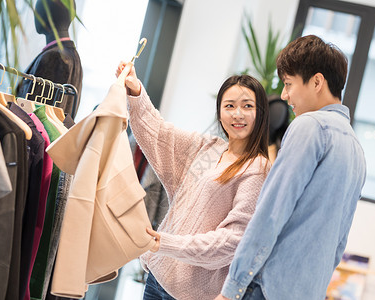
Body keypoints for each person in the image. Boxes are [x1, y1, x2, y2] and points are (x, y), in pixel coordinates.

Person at [215, 34, 367, 300]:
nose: (284, 96)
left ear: (317, 82)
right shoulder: (356, 149)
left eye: (288, 84)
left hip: (268, 287)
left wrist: (232, 288)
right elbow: (339, 242)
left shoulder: (309, 126)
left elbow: (271, 211)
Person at [116, 62, 271, 300]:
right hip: (157, 278)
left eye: (247, 106)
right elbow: (159, 134)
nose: (237, 114)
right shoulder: (208, 147)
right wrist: (136, 90)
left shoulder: (257, 169)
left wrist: (167, 243)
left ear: (260, 113)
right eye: (229, 106)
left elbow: (231, 242)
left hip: (189, 294)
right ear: (220, 112)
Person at [16, 0, 82, 118]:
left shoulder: (56, 57)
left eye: (37, 10)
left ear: (47, 15)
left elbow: (36, 114)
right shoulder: (73, 57)